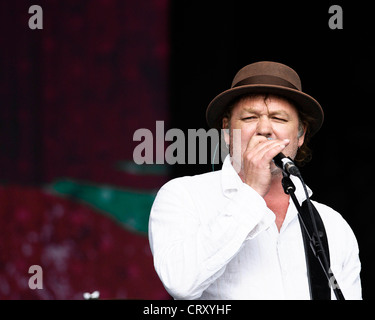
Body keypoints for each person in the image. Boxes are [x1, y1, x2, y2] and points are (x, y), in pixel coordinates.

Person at [148, 61, 362, 299]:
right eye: (250, 118)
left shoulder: (332, 225)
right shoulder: (184, 196)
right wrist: (250, 194)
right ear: (228, 132)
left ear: (300, 135)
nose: (265, 129)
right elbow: (180, 283)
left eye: (279, 118)